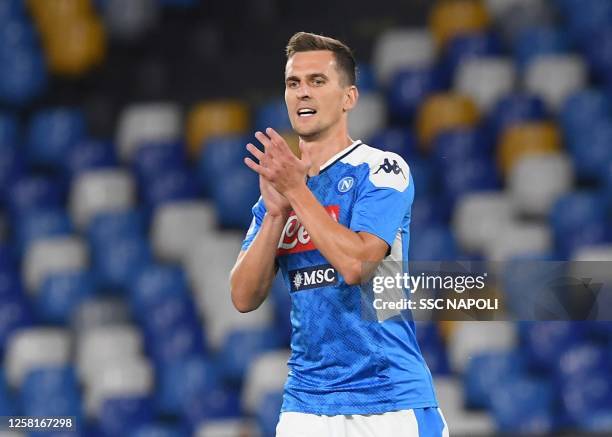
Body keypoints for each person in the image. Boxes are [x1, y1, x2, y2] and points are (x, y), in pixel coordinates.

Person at [230, 31, 448, 437]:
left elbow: (357, 265)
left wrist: (296, 191)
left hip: (388, 399)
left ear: (349, 97)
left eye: (317, 81)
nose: (302, 94)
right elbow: (243, 297)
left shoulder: (381, 169)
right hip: (306, 404)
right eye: (293, 83)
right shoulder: (279, 190)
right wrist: (276, 214)